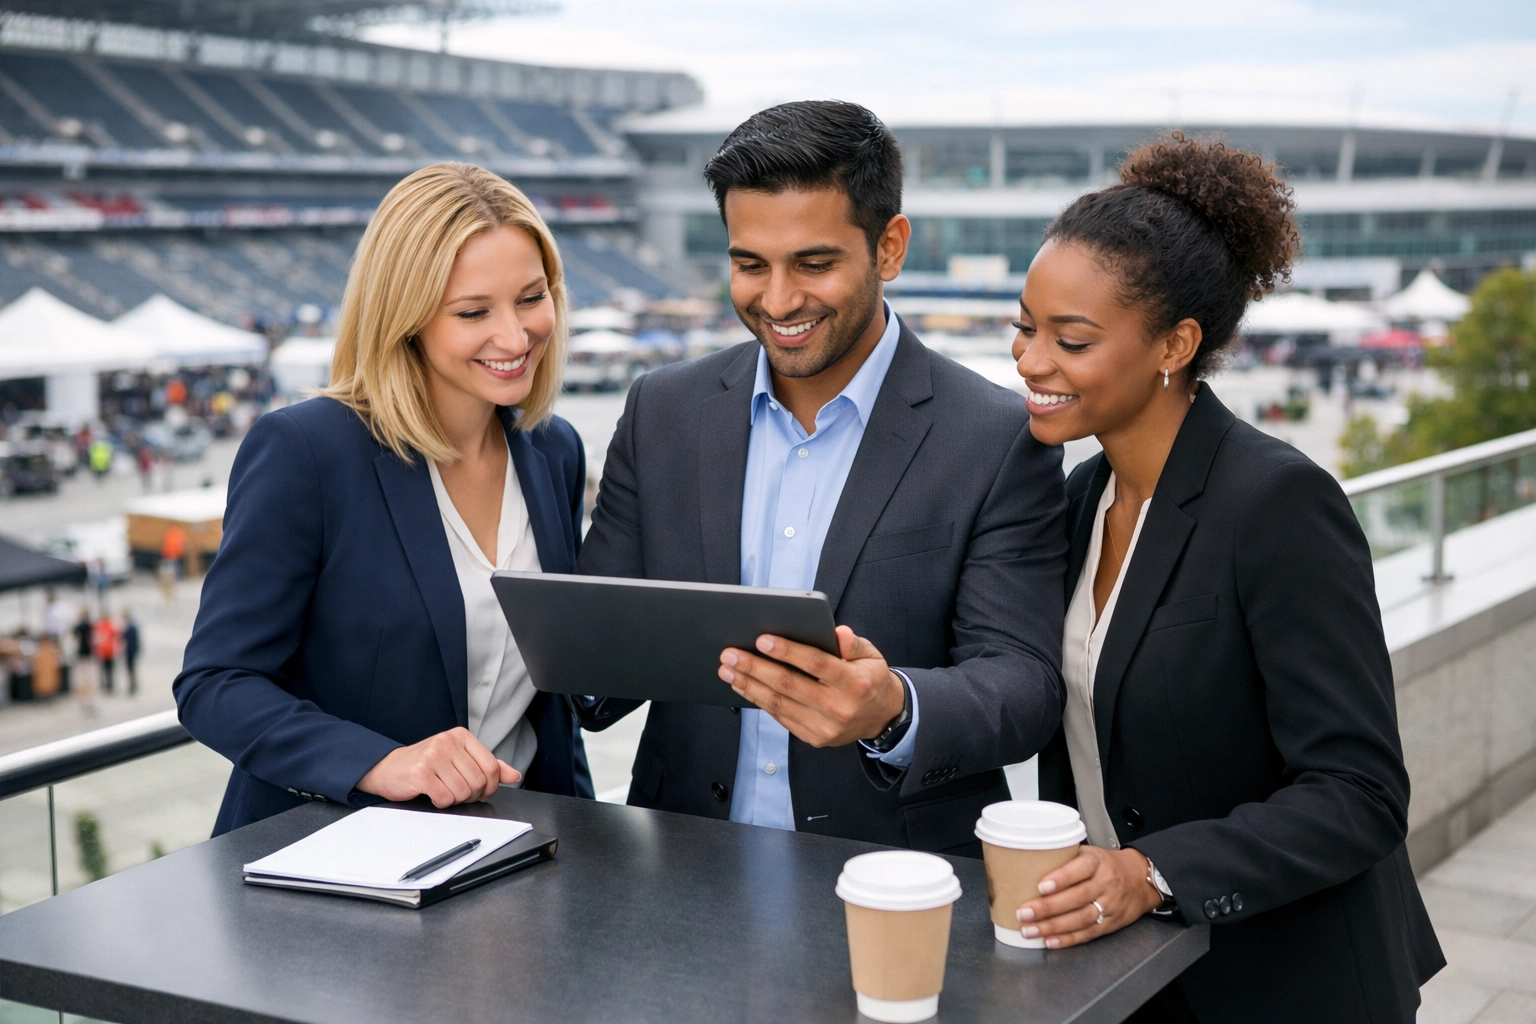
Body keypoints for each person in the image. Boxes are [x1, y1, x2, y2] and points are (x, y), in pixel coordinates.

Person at [1008, 133, 1442, 1021]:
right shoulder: (1078, 498)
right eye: (1025, 324)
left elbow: (1359, 793)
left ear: (1176, 342)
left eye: (1071, 339)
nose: (1030, 359)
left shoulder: (1279, 503)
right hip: (1135, 974)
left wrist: (1152, 872)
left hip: (1291, 982)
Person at [577, 101, 1067, 854]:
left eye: (813, 263)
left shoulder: (996, 437)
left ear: (890, 247)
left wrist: (893, 708)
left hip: (895, 878)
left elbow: (1024, 685)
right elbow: (598, 661)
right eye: (749, 265)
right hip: (682, 876)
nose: (777, 301)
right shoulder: (661, 410)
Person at [175, 162, 593, 835]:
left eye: (531, 298)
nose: (516, 338)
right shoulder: (305, 451)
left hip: (513, 854)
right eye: (473, 312)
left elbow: (548, 708)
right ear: (406, 317)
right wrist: (381, 762)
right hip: (335, 859)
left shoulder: (554, 452)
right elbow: (215, 684)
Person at [92, 613, 117, 696]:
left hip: (108, 651)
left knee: (108, 670)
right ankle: (105, 685)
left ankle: (109, 685)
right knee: (105, 670)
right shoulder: (101, 626)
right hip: (104, 651)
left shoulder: (107, 626)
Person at [121, 611, 139, 697]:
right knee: (131, 670)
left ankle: (132, 685)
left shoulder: (129, 628)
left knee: (130, 670)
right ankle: (132, 685)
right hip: (130, 651)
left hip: (129, 652)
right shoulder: (132, 627)